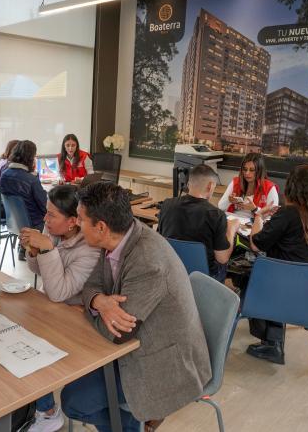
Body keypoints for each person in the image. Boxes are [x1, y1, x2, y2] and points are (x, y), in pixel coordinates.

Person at [60, 182, 211, 432]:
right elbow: (91, 286)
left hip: (164, 363)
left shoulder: (147, 261)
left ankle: (133, 426)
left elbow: (116, 334)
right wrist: (99, 302)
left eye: (80, 218)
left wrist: (93, 308)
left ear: (101, 227)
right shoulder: (118, 237)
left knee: (73, 401)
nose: (76, 222)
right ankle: (135, 424)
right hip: (139, 343)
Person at [19, 185, 101, 432]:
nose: (45, 219)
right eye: (46, 212)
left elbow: (58, 292)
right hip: (54, 309)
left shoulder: (90, 249)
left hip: (77, 316)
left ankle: (48, 412)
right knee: (18, 333)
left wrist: (47, 248)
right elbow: (36, 270)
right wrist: (34, 251)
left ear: (73, 222)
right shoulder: (53, 230)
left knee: (30, 346)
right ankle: (33, 405)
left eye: (52, 215)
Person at [246, 163, 308, 365]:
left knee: (248, 274)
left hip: (279, 294)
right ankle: (273, 338)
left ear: (291, 187)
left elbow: (256, 243)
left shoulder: (288, 214)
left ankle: (271, 342)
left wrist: (258, 216)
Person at [158, 164, 240, 282]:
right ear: (210, 186)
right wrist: (231, 229)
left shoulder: (166, 205)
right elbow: (222, 259)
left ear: (188, 183)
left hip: (172, 271)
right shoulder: (216, 215)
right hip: (204, 278)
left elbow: (161, 239)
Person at [0, 140, 47, 260]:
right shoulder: (31, 179)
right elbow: (44, 206)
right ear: (30, 158)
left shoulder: (4, 175)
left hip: (12, 223)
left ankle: (23, 249)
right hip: (33, 224)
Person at [218, 153, 279, 219]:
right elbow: (220, 207)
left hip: (253, 225)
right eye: (245, 169)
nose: (247, 173)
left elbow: (272, 218)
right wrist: (229, 201)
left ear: (259, 171)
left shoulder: (269, 187)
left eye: (252, 170)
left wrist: (254, 209)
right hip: (232, 220)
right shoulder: (236, 182)